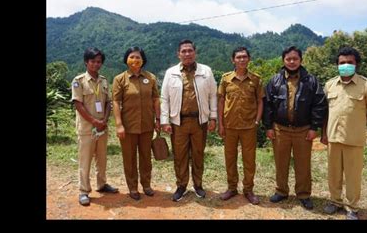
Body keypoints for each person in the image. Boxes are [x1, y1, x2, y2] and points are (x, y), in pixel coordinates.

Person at [321, 46, 367, 220]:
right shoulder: (330, 85)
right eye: (342, 63)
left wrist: (359, 121)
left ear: (356, 64)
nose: (346, 65)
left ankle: (352, 207)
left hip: (354, 138)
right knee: (333, 174)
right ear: (337, 65)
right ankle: (335, 202)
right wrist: (324, 133)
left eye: (350, 62)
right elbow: (326, 111)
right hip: (333, 137)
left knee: (353, 176)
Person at [263, 46, 327, 210]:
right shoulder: (274, 80)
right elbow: (268, 105)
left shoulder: (311, 81)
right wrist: (268, 127)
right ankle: (281, 191)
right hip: (280, 129)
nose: (292, 62)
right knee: (281, 162)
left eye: (295, 59)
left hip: (303, 130)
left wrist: (314, 128)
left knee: (303, 164)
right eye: (288, 59)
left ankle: (304, 194)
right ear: (283, 60)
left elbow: (319, 105)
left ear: (300, 60)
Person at [161, 39, 217, 202]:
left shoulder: (206, 71)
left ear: (195, 52)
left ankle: (198, 185)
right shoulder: (171, 73)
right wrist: (165, 120)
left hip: (200, 121)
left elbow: (213, 95)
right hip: (179, 122)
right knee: (180, 155)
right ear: (178, 54)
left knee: (198, 154)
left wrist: (213, 117)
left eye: (190, 50)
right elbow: (164, 97)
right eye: (183, 51)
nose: (187, 54)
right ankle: (181, 186)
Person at [71, 47, 119, 206]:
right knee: (85, 161)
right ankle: (84, 191)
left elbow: (108, 103)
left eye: (99, 62)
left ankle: (102, 184)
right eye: (92, 61)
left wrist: (104, 119)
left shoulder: (104, 80)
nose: (96, 64)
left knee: (102, 158)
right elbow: (78, 105)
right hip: (87, 129)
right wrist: (94, 121)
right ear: (86, 62)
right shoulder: (79, 81)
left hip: (102, 127)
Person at [112, 47, 160, 201]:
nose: (135, 60)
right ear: (126, 59)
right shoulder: (120, 79)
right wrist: (119, 124)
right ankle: (132, 187)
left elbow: (155, 100)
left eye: (138, 57)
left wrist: (158, 119)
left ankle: (146, 185)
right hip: (128, 126)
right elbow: (116, 102)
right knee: (129, 158)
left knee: (146, 157)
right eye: (132, 56)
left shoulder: (150, 78)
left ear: (143, 60)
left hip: (147, 125)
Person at [217, 47, 264, 205]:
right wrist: (220, 124)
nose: (242, 59)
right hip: (229, 126)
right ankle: (231, 188)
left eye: (244, 57)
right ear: (233, 60)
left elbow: (260, 101)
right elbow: (221, 101)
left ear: (249, 59)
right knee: (230, 158)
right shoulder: (226, 79)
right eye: (238, 57)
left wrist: (257, 121)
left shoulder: (256, 79)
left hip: (249, 127)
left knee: (249, 160)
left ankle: (248, 190)